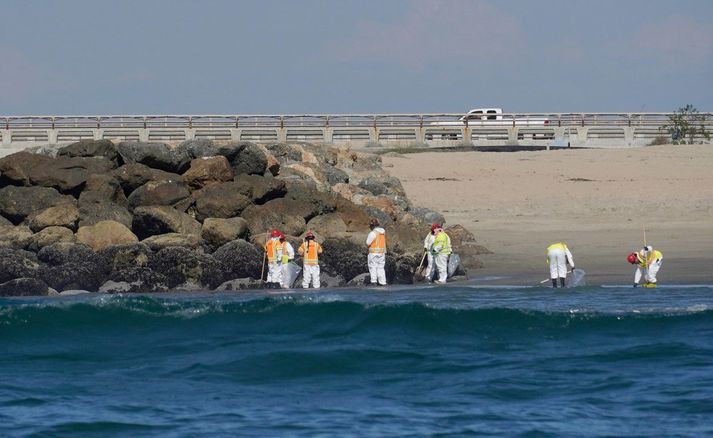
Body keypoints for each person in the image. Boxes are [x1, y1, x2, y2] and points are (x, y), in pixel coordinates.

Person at [366, 218, 387, 286]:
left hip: (373, 253)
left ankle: (373, 281)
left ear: (372, 226)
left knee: (373, 267)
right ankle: (382, 282)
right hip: (382, 253)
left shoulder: (373, 233)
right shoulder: (382, 232)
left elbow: (368, 243)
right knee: (381, 267)